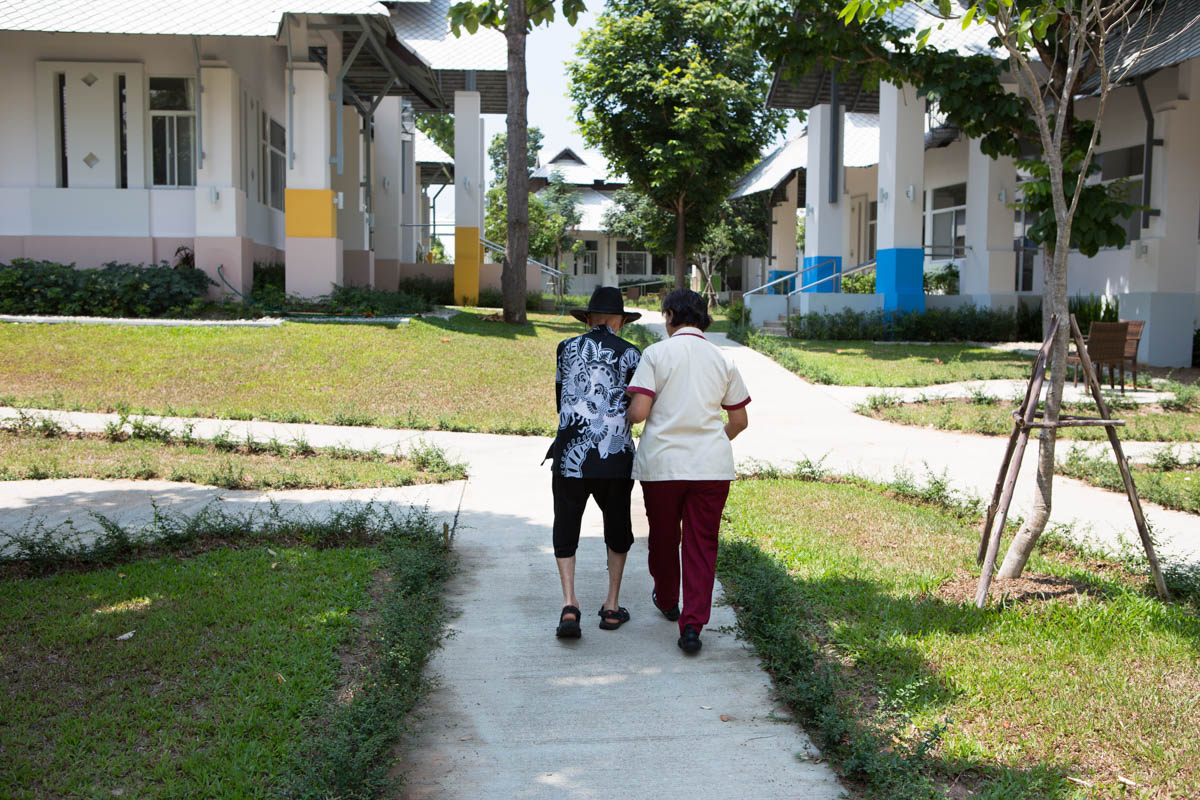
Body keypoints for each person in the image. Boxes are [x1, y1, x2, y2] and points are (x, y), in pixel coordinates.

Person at [627, 288, 750, 654]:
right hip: (711, 468)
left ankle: (667, 598)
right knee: (702, 545)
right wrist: (713, 440)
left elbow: (639, 413)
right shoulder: (722, 359)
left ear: (669, 316)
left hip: (663, 466)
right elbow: (739, 420)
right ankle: (693, 625)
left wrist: (628, 407)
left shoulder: (656, 354)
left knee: (664, 538)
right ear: (704, 318)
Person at [546, 286, 643, 639]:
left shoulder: (565, 349)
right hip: (614, 459)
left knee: (566, 525)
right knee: (617, 529)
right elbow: (638, 407)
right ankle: (612, 606)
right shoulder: (634, 355)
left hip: (570, 457)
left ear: (588, 320)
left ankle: (569, 605)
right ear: (619, 322)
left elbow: (560, 399)